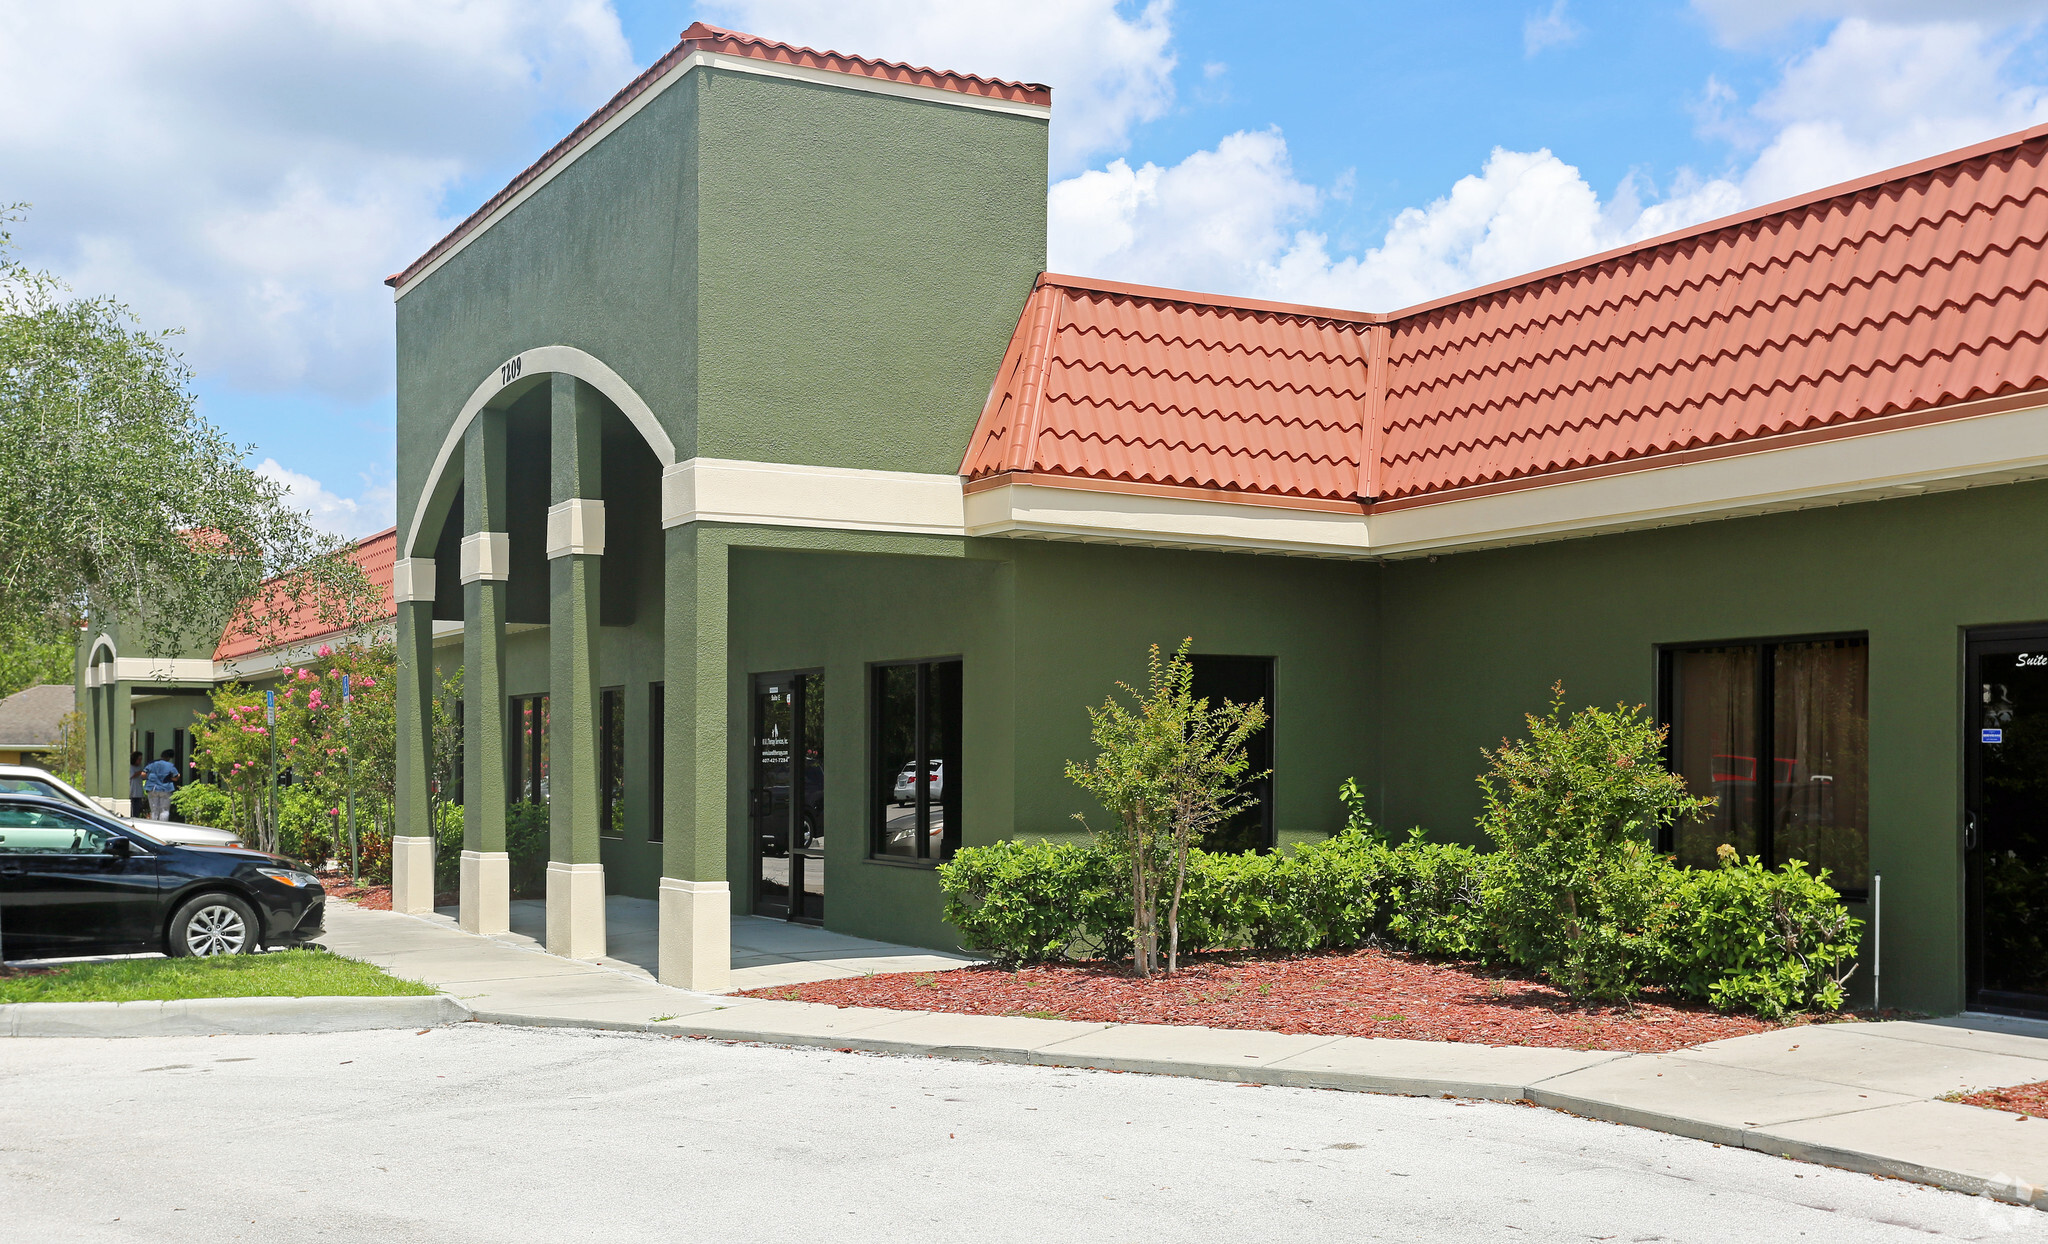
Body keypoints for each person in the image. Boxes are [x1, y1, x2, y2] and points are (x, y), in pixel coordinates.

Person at [143, 748, 180, 820]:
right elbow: (175, 777)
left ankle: (154, 824)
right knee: (164, 810)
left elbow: (143, 774)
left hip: (152, 788)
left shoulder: (152, 763)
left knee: (154, 810)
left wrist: (151, 778)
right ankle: (163, 825)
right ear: (170, 757)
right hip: (165, 789)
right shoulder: (170, 765)